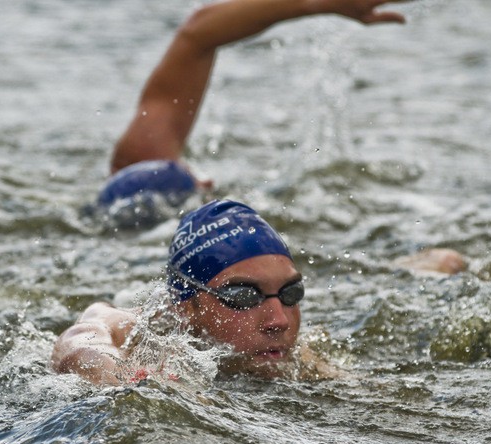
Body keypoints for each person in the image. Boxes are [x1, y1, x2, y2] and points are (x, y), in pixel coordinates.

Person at [54, 0, 466, 385]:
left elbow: (196, 34)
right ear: (187, 307)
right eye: (240, 295)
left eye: (292, 293)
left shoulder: (145, 172)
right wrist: (127, 380)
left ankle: (413, 266)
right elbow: (81, 343)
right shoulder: (148, 324)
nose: (279, 320)